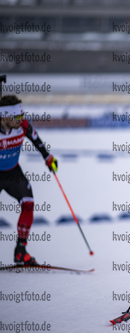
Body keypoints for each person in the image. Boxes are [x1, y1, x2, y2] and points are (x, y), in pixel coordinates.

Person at [0, 95, 57, 265]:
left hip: (13, 172)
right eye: (16, 116)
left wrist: (48, 158)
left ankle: (20, 251)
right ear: (4, 116)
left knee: (28, 203)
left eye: (21, 115)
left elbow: (36, 141)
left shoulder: (23, 126)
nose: (20, 119)